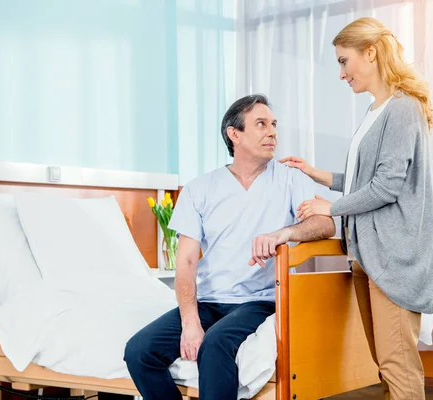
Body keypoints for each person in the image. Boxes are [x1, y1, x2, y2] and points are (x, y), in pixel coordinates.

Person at [124, 94, 336, 400]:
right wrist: (190, 322)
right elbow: (185, 262)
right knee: (139, 351)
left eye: (274, 124)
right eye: (261, 124)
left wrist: (284, 233)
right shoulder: (201, 188)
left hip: (260, 301)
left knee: (216, 345)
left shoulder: (291, 178)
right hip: (209, 302)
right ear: (234, 134)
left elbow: (325, 224)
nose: (272, 132)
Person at [280, 17, 433, 400]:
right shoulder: (377, 110)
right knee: (386, 366)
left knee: (397, 366)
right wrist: (318, 174)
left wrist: (332, 207)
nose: (341, 74)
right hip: (368, 256)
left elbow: (387, 186)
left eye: (343, 61)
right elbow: (366, 177)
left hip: (393, 258)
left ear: (369, 53)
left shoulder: (402, 109)